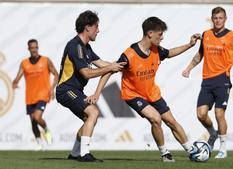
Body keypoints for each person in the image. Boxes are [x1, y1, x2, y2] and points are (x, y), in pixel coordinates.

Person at [117, 16, 200, 162]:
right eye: (160, 34)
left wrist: (190, 45)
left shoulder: (156, 50)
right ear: (150, 33)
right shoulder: (129, 55)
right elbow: (111, 69)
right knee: (155, 119)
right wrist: (97, 92)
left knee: (171, 121)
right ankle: (165, 154)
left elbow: (170, 53)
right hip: (133, 95)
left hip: (152, 93)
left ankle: (192, 151)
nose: (162, 37)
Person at [56, 10, 125, 162]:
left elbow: (103, 64)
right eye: (96, 27)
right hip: (65, 90)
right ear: (88, 27)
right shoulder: (75, 46)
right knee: (93, 112)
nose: (98, 30)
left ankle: (75, 153)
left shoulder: (86, 47)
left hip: (75, 90)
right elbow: (87, 73)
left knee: (90, 117)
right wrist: (110, 68)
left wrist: (122, 67)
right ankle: (84, 154)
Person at [182, 6, 233, 158]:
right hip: (207, 81)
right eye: (215, 18)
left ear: (225, 19)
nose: (218, 20)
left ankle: (223, 148)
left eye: (221, 18)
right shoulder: (206, 35)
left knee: (220, 113)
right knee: (201, 114)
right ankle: (213, 134)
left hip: (222, 80)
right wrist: (188, 69)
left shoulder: (232, 36)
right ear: (212, 19)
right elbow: (200, 55)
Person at [12, 39, 59, 150]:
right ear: (28, 49)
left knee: (37, 117)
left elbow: (56, 74)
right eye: (32, 48)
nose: (34, 50)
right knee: (33, 122)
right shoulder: (24, 63)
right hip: (30, 96)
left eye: (36, 47)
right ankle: (39, 143)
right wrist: (14, 83)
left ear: (38, 47)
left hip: (43, 94)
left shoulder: (45, 60)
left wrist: (52, 89)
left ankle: (46, 129)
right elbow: (18, 77)